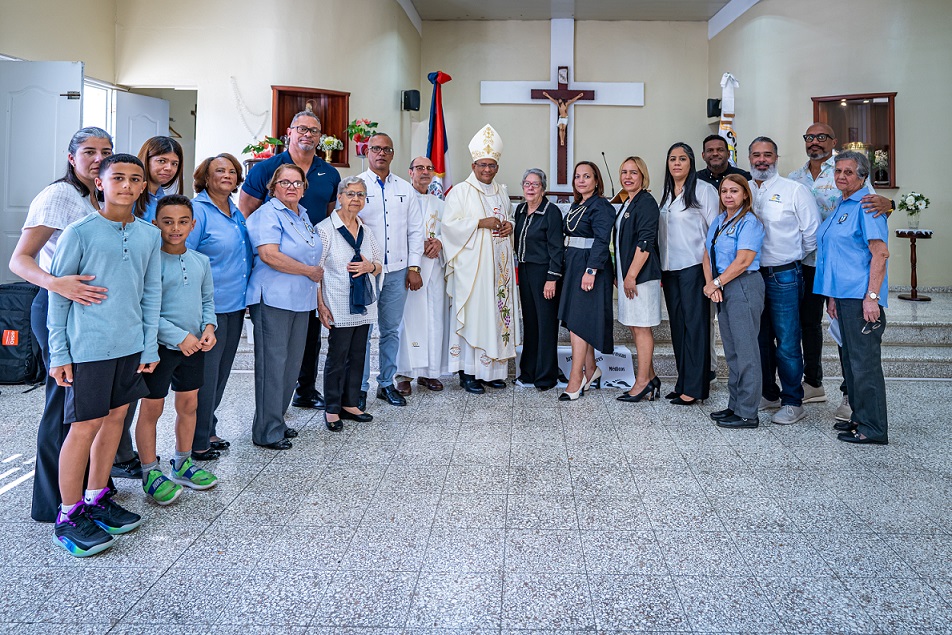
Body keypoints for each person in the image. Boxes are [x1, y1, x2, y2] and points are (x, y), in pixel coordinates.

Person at [47, 153, 160, 556]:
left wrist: (148, 345)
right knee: (85, 425)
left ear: (144, 186)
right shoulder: (79, 232)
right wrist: (59, 353)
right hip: (89, 347)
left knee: (115, 421)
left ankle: (96, 497)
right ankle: (68, 513)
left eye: (135, 179)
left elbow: (150, 293)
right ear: (100, 183)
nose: (126, 186)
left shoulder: (149, 234)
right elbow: (57, 297)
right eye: (118, 178)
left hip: (129, 346)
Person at [9, 127, 118, 523]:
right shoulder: (59, 195)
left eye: (105, 151)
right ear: (71, 158)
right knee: (64, 408)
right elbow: (20, 259)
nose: (97, 158)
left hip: (90, 314)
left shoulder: (98, 196)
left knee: (89, 410)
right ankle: (53, 504)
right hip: (56, 308)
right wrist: (56, 282)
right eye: (88, 151)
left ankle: (87, 491)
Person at [788, 122, 894, 420]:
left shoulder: (857, 185)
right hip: (818, 270)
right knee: (817, 330)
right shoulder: (799, 180)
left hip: (854, 280)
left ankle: (856, 403)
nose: (815, 142)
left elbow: (877, 234)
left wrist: (872, 295)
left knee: (855, 346)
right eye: (809, 137)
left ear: (833, 142)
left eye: (822, 137)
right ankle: (818, 386)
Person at [240, 111, 341, 411]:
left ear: (321, 136)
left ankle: (306, 390)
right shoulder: (266, 168)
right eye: (302, 128)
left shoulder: (329, 173)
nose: (307, 134)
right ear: (289, 132)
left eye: (314, 130)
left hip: (311, 265)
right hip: (279, 268)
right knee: (278, 349)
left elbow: (331, 216)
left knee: (308, 337)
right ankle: (271, 412)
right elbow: (247, 210)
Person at [135, 196, 218, 505]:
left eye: (183, 221)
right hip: (159, 349)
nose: (175, 228)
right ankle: (149, 471)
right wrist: (179, 336)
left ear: (192, 224)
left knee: (189, 405)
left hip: (195, 347)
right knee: (152, 409)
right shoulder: (150, 262)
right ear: (155, 224)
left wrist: (209, 329)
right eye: (167, 221)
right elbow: (145, 309)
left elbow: (208, 302)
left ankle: (182, 463)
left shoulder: (201, 261)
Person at [813, 151, 889, 445]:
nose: (842, 176)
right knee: (850, 361)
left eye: (849, 172)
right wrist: (832, 297)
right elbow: (836, 256)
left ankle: (873, 427)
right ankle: (859, 417)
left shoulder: (868, 206)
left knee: (864, 363)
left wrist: (872, 297)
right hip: (842, 297)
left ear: (863, 177)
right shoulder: (842, 205)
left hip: (861, 298)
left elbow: (879, 253)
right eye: (838, 171)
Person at [245, 164, 323, 450]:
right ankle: (266, 431)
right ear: (273, 187)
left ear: (304, 188)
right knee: (272, 365)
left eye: (297, 182)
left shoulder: (302, 216)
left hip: (299, 300)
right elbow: (269, 255)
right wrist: (308, 271)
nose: (291, 187)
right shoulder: (267, 214)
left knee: (290, 365)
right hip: (273, 299)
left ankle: (277, 419)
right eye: (284, 182)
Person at [442, 124, 521, 394]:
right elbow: (449, 227)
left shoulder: (501, 191)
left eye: (492, 165)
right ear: (473, 164)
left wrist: (509, 224)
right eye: (482, 165)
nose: (487, 169)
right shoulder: (460, 192)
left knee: (497, 316)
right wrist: (478, 223)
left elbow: (507, 217)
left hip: (499, 271)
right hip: (472, 271)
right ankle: (468, 373)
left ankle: (491, 372)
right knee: (475, 317)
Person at [747, 137, 820, 425]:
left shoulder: (794, 190)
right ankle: (769, 392)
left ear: (776, 157)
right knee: (760, 339)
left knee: (788, 340)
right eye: (756, 155)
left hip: (785, 275)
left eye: (767, 154)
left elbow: (812, 234)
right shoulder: (744, 190)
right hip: (751, 276)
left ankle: (793, 401)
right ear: (749, 158)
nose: (761, 160)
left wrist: (791, 257)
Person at [187, 153, 252, 461]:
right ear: (206, 177)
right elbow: (184, 258)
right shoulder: (198, 211)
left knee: (222, 372)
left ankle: (209, 428)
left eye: (231, 171)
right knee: (205, 375)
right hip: (208, 309)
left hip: (235, 305)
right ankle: (197, 441)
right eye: (219, 171)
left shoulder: (235, 211)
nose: (226, 175)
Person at [356, 133, 424, 407]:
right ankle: (359, 387)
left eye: (386, 149)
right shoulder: (354, 186)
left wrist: (414, 266)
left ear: (393, 154)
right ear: (367, 152)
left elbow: (416, 230)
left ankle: (386, 383)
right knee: (362, 330)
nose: (381, 153)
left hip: (397, 271)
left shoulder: (404, 189)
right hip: (366, 271)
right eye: (376, 149)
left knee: (390, 330)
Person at [317, 177, 383, 431]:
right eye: (351, 194)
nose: (356, 199)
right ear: (340, 197)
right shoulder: (325, 229)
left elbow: (379, 263)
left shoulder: (365, 231)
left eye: (361, 195)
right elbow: (317, 270)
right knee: (338, 355)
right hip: (337, 302)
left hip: (363, 304)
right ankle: (332, 408)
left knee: (358, 354)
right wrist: (320, 305)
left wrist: (370, 266)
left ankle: (350, 402)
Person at [658, 142, 719, 405]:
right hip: (670, 269)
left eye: (682, 158)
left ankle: (695, 388)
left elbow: (715, 232)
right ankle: (684, 381)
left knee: (696, 327)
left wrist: (711, 277)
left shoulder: (705, 191)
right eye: (672, 158)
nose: (677, 163)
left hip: (695, 268)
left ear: (691, 162)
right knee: (678, 327)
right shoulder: (666, 193)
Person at [704, 175, 766, 428]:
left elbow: (743, 261)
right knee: (731, 351)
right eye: (724, 191)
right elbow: (706, 255)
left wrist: (717, 283)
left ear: (745, 195)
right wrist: (712, 285)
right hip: (723, 285)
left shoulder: (750, 222)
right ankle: (735, 405)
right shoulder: (719, 221)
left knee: (746, 350)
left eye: (734, 191)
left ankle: (748, 413)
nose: (728, 195)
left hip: (744, 285)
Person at [557, 161, 614, 401]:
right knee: (576, 320)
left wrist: (591, 270)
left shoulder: (601, 206)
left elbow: (602, 240)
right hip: (573, 264)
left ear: (596, 181)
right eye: (578, 177)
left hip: (589, 266)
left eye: (587, 176)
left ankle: (576, 377)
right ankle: (592, 370)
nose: (581, 181)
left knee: (579, 321)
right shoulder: (576, 205)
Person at [395, 156, 449, 393]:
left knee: (433, 319)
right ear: (410, 172)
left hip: (434, 270)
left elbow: (450, 232)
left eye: (429, 168)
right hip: (410, 268)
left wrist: (440, 242)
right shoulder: (401, 200)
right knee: (408, 320)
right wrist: (412, 262)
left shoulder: (441, 204)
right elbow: (396, 233)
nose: (425, 172)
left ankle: (429, 373)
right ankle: (404, 373)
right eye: (419, 168)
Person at [614, 157, 663, 403]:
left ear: (643, 175)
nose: (628, 176)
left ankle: (642, 382)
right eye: (624, 172)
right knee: (635, 326)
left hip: (641, 278)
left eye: (633, 172)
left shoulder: (646, 202)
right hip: (629, 276)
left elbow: (645, 241)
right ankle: (651, 377)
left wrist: (631, 275)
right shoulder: (628, 201)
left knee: (642, 328)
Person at [513, 168, 564, 391]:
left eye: (535, 184)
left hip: (545, 273)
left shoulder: (551, 212)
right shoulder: (520, 210)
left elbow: (556, 249)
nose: (531, 188)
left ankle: (546, 376)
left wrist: (552, 278)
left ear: (543, 188)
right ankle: (529, 372)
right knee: (531, 324)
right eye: (527, 183)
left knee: (546, 324)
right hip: (525, 271)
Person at [136, 136, 184, 222]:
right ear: (146, 160)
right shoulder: (130, 196)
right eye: (161, 161)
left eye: (174, 164)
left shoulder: (165, 201)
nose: (169, 168)